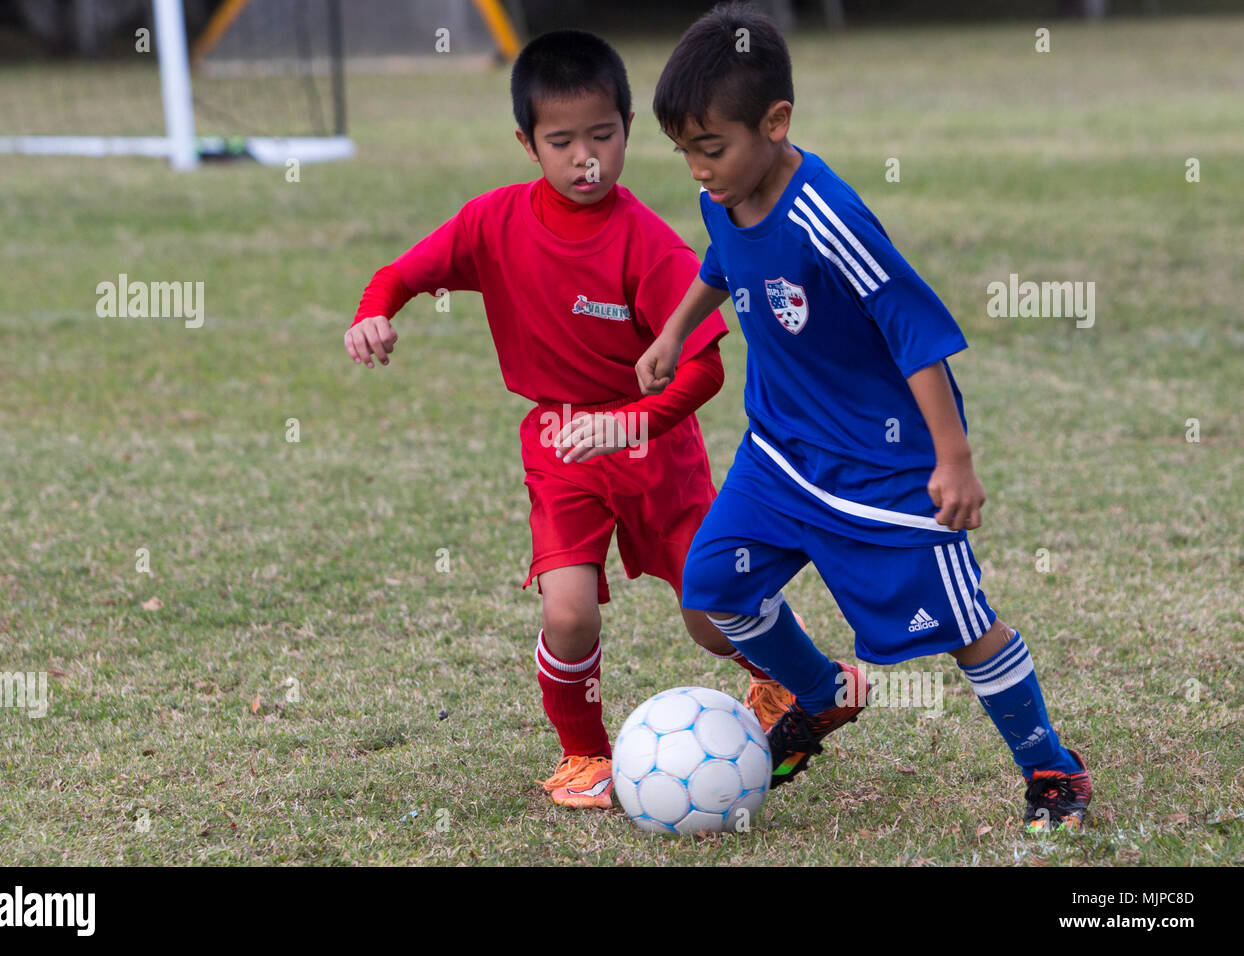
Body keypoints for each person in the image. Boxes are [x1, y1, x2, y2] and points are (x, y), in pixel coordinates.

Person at [637, 2, 1092, 831]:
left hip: (880, 471)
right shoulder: (723, 194)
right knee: (713, 592)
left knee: (963, 629)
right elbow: (723, 256)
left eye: (712, 148)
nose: (698, 170)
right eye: (685, 153)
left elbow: (914, 331)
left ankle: (1052, 769)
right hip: (779, 454)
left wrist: (952, 461)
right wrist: (676, 328)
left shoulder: (831, 217)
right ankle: (822, 694)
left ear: (776, 123)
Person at [345, 29, 794, 810]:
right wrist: (373, 314)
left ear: (627, 126)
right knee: (568, 609)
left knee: (712, 612)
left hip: (656, 447)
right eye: (561, 141)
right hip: (559, 445)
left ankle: (781, 682)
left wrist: (634, 425)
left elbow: (707, 366)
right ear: (526, 142)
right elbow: (401, 273)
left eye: (604, 136)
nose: (586, 158)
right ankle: (584, 753)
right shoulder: (492, 223)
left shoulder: (648, 244)